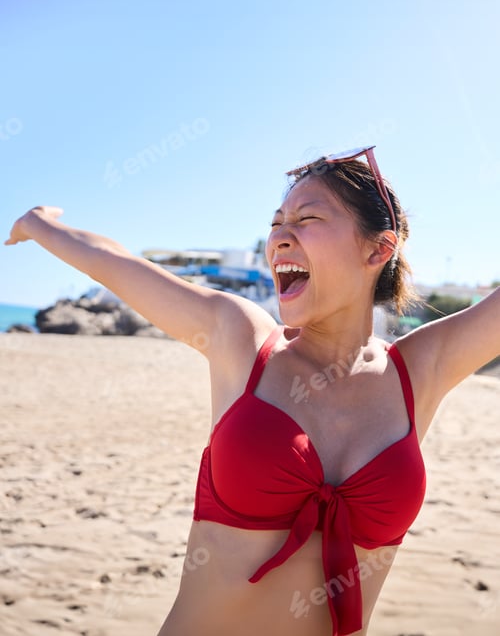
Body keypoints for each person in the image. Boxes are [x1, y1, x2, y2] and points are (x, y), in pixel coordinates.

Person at [5, 146, 500, 636]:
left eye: (307, 219)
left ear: (378, 249)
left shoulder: (419, 369)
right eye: (276, 222)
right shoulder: (241, 339)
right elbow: (114, 264)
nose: (280, 237)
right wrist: (39, 225)